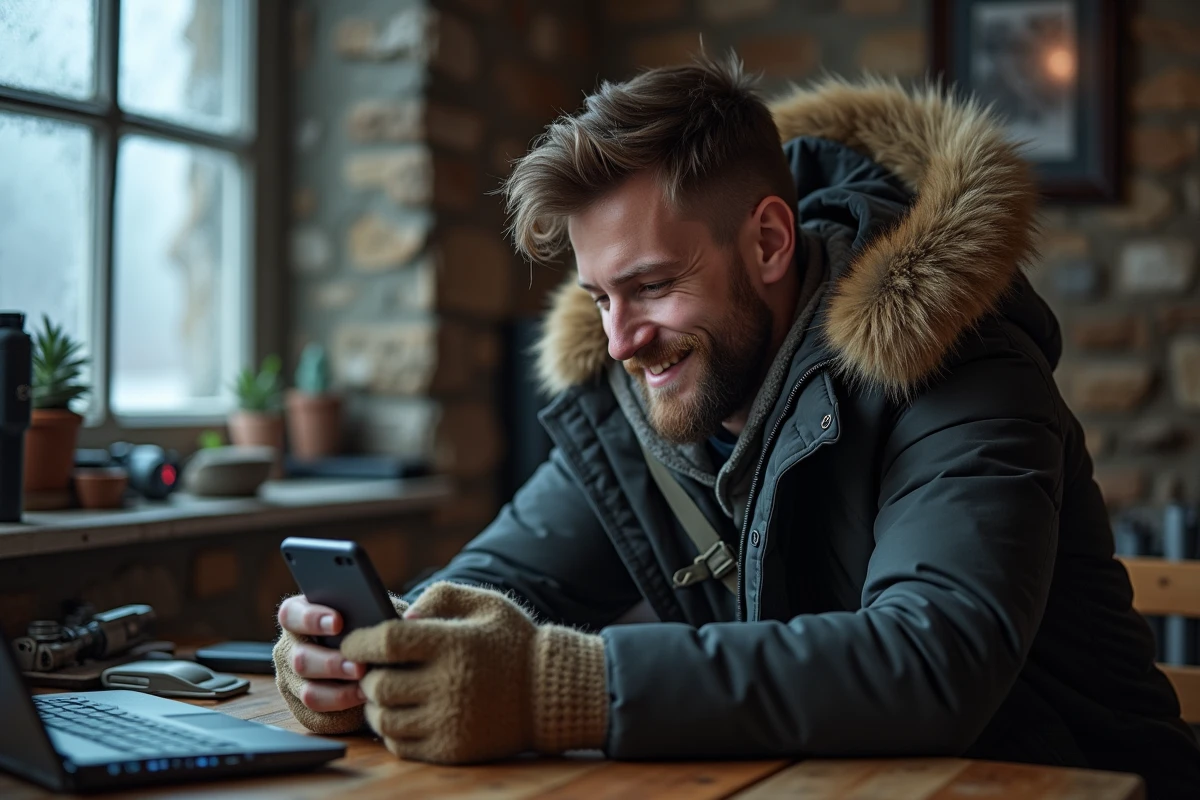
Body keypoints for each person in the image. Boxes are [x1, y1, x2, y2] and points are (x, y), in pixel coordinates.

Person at [273, 55, 1200, 797]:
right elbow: (497, 581)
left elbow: (932, 659)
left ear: (767, 242)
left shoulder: (962, 361)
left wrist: (561, 689)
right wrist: (377, 651)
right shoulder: (651, 389)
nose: (621, 339)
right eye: (599, 297)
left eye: (651, 287)